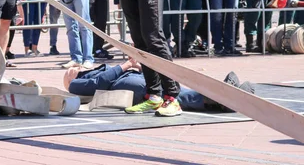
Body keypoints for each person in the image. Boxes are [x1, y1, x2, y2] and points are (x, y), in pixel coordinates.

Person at [64, 60, 255, 113]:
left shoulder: (94, 70)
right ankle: (224, 97)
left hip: (135, 80)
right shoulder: (75, 85)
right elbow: (100, 83)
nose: (77, 67)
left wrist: (136, 67)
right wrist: (126, 66)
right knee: (176, 96)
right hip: (127, 86)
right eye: (73, 69)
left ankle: (224, 96)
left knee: (177, 94)